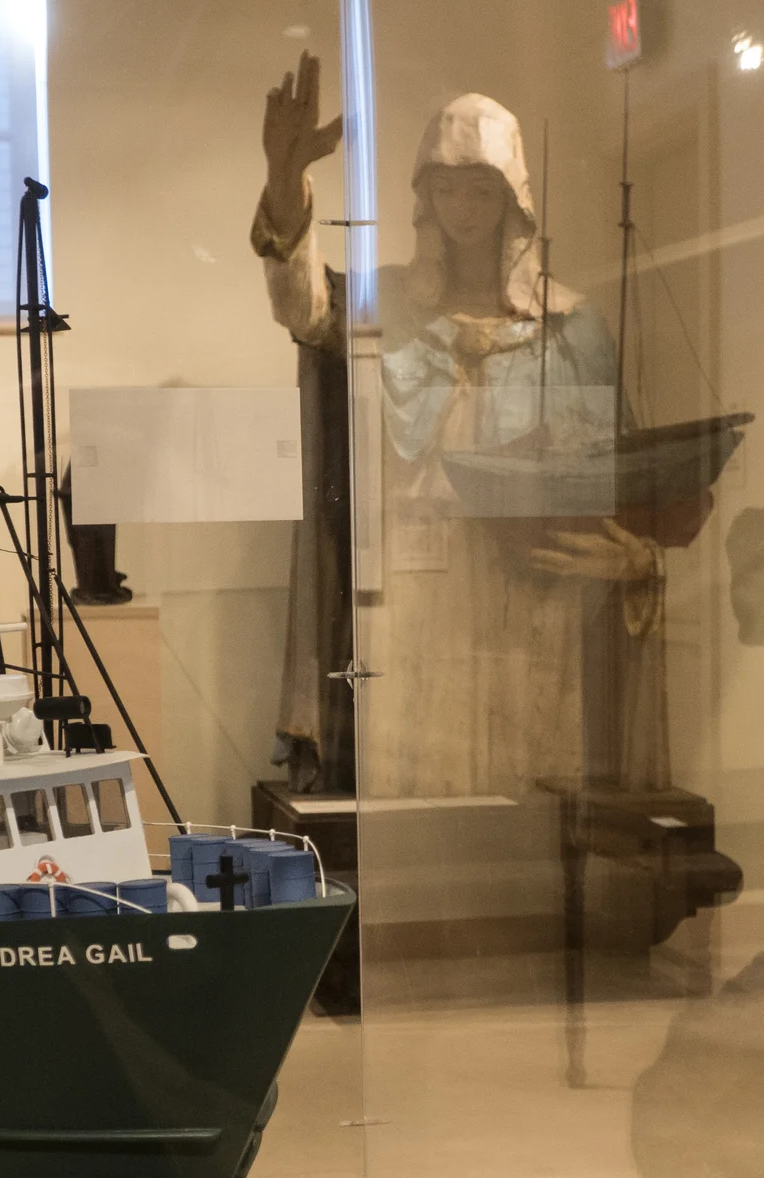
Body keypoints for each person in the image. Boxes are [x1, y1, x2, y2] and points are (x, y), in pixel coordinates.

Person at [254, 53, 668, 800]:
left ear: (513, 197)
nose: (465, 209)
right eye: (447, 188)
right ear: (425, 197)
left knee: (529, 774)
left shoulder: (571, 325)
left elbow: (622, 483)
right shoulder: (385, 305)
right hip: (415, 583)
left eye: (481, 189)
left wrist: (636, 554)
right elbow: (302, 308)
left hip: (534, 586)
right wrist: (286, 182)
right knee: (416, 780)